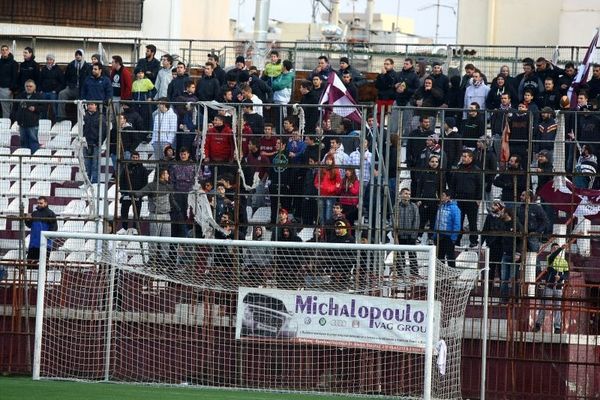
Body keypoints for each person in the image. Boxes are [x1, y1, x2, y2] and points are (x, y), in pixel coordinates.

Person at [136, 168, 180, 268]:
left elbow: (171, 199)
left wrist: (178, 209)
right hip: (155, 215)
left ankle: (164, 259)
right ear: (161, 175)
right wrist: (134, 194)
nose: (168, 175)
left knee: (166, 239)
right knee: (153, 239)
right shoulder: (152, 186)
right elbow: (141, 192)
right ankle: (152, 258)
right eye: (166, 173)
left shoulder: (168, 186)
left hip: (166, 215)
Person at [534, 242, 570, 334]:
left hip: (558, 287)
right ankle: (538, 324)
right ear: (551, 250)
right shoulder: (550, 258)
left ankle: (557, 327)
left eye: (557, 248)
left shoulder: (564, 262)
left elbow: (567, 275)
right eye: (554, 248)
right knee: (544, 305)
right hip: (549, 286)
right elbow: (553, 256)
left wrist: (560, 277)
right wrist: (560, 249)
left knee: (558, 307)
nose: (555, 250)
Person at [450, 150, 482, 248]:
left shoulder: (476, 170)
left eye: (465, 156)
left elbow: (480, 185)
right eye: (462, 156)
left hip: (472, 199)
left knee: (472, 222)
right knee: (458, 221)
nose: (463, 158)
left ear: (470, 158)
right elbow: (453, 184)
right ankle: (457, 240)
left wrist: (478, 198)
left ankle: (473, 241)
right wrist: (452, 197)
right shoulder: (458, 169)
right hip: (459, 198)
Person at [415, 154, 444, 245]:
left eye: (436, 162)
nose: (434, 163)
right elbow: (419, 187)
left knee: (433, 221)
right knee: (422, 220)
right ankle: (419, 236)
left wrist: (440, 200)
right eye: (432, 161)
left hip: (434, 202)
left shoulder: (440, 174)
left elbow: (442, 188)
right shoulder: (424, 173)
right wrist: (418, 199)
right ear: (428, 162)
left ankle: (430, 237)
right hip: (424, 201)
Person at [119, 151, 150, 231]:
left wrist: (140, 193)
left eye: (136, 157)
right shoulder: (126, 168)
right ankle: (124, 228)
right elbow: (121, 180)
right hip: (127, 193)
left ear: (139, 158)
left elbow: (145, 182)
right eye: (133, 157)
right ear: (131, 158)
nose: (135, 159)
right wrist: (123, 192)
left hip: (137, 194)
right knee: (124, 211)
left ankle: (135, 228)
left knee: (137, 212)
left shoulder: (143, 169)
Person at [11, 80, 43, 153]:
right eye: (27, 86)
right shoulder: (20, 96)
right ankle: (25, 157)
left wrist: (35, 108)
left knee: (33, 141)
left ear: (34, 87)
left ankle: (34, 157)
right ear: (25, 87)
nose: (28, 88)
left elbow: (43, 107)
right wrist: (16, 118)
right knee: (23, 141)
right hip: (22, 124)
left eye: (30, 86)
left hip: (33, 124)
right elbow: (14, 108)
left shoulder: (38, 96)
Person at [499, 207, 523, 301]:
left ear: (507, 213)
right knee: (504, 278)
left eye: (502, 212)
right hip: (505, 253)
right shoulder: (502, 223)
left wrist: (518, 252)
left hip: (514, 255)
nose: (500, 213)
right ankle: (504, 299)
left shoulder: (516, 224)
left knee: (514, 277)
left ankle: (515, 298)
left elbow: (521, 239)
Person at [24, 196, 58, 263]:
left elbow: (54, 228)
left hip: (44, 245)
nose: (39, 204)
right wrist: (27, 220)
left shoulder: (50, 214)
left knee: (43, 264)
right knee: (30, 264)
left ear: (46, 203)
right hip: (33, 244)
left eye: (41, 203)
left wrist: (47, 238)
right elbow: (29, 225)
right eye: (38, 203)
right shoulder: (34, 213)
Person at [395, 188, 420, 275]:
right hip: (400, 235)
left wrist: (413, 235)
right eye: (406, 193)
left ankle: (414, 273)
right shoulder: (396, 207)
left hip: (410, 236)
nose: (407, 196)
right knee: (400, 255)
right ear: (401, 195)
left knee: (412, 255)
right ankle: (400, 272)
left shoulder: (413, 207)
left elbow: (416, 221)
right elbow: (393, 220)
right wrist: (395, 233)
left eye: (409, 194)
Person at [434, 189, 461, 268]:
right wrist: (435, 235)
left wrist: (453, 237)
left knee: (450, 257)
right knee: (439, 257)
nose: (441, 197)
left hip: (449, 236)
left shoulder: (454, 208)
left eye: (443, 195)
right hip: (439, 235)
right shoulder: (441, 206)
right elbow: (437, 221)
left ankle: (452, 273)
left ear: (448, 197)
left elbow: (457, 224)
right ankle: (440, 272)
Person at [482, 199, 506, 286]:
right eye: (493, 204)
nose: (493, 207)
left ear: (500, 207)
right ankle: (488, 287)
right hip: (491, 246)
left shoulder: (504, 217)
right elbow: (484, 230)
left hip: (501, 246)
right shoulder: (489, 217)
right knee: (490, 268)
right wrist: (481, 245)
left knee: (501, 268)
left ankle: (502, 288)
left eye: (495, 205)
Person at [82, 102, 107, 183]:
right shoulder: (84, 116)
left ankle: (95, 183)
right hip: (86, 144)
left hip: (96, 144)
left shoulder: (101, 116)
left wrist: (99, 142)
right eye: (89, 104)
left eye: (92, 104)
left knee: (95, 165)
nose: (90, 106)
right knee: (86, 165)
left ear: (96, 106)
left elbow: (104, 131)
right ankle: (87, 182)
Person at [39, 53, 64, 120]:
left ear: (53, 60)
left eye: (51, 59)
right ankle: (43, 121)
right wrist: (40, 90)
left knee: (54, 108)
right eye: (48, 59)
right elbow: (40, 80)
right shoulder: (43, 69)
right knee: (43, 108)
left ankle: (56, 120)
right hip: (44, 92)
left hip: (53, 92)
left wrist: (56, 90)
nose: (49, 61)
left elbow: (62, 82)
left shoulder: (58, 69)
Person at [0, 44, 18, 118]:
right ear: (1, 52)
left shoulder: (13, 63)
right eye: (2, 50)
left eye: (6, 50)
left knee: (7, 108)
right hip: (1, 87)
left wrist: (12, 89)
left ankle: (7, 123)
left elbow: (15, 77)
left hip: (7, 88)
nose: (4, 51)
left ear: (8, 51)